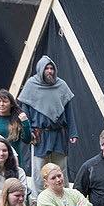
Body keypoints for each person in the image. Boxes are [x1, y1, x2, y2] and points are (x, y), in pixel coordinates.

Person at [18, 56, 77, 195]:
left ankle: (64, 198)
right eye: (46, 68)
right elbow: (24, 113)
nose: (49, 71)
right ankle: (39, 201)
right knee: (39, 171)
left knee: (60, 169)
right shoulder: (31, 85)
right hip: (40, 136)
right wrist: (28, 131)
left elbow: (69, 112)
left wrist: (73, 132)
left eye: (51, 68)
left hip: (58, 135)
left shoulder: (61, 86)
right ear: (40, 69)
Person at [0, 89, 32, 175]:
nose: (1, 104)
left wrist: (25, 123)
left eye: (5, 102)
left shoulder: (17, 120)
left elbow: (27, 140)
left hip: (13, 159)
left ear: (11, 104)